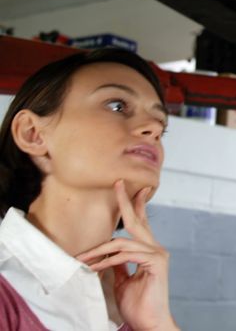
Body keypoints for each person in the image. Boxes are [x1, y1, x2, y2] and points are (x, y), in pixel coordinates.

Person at [0, 48, 177, 330]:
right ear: (32, 134)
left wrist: (157, 324)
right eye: (117, 106)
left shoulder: (136, 306)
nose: (153, 128)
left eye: (162, 127)